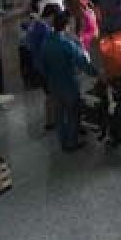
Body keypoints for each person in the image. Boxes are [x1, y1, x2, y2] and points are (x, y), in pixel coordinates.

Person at [39, 10, 97, 152]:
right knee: (72, 113)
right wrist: (96, 73)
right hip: (69, 84)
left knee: (59, 114)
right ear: (66, 26)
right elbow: (82, 63)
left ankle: (63, 140)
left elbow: (42, 65)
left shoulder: (46, 42)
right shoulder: (68, 45)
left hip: (53, 84)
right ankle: (71, 142)